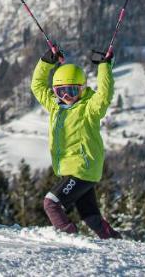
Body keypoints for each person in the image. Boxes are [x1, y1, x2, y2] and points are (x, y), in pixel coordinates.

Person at [30, 44, 121, 239]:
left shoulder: (89, 108)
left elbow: (104, 96)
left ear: (82, 89)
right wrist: (47, 61)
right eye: (60, 91)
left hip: (82, 168)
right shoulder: (56, 107)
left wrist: (104, 66)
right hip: (71, 170)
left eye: (72, 90)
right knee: (90, 217)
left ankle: (67, 237)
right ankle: (113, 240)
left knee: (51, 203)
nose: (66, 96)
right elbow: (37, 86)